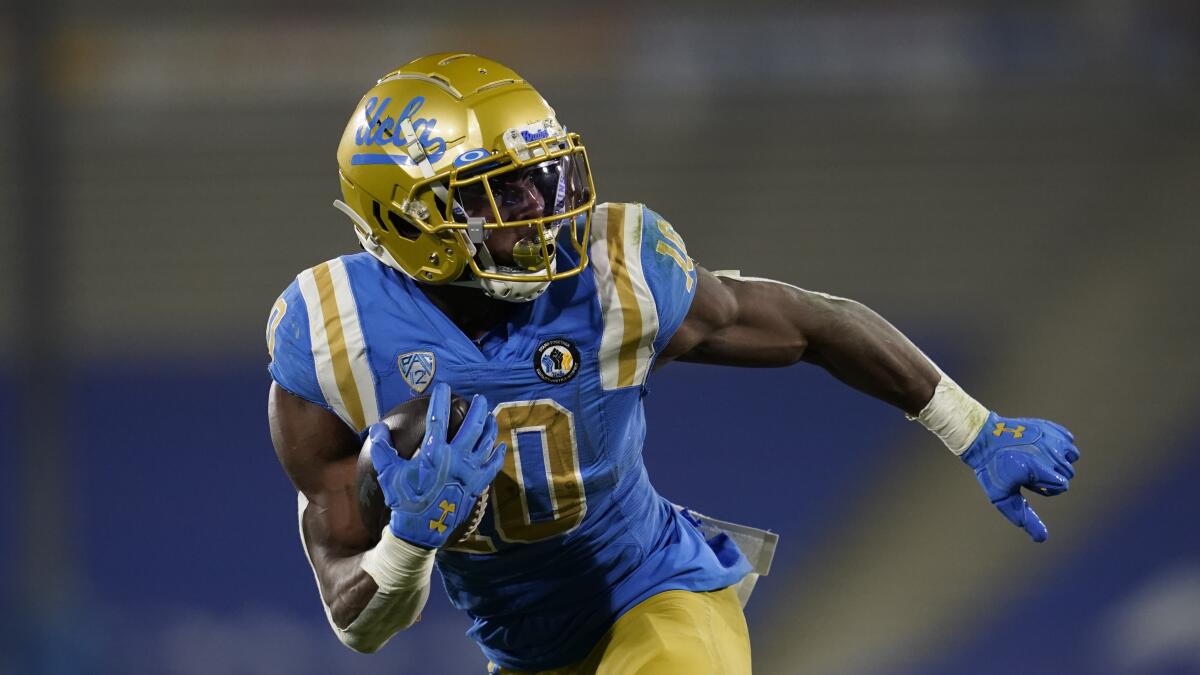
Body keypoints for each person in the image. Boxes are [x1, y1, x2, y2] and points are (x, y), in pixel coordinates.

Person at [265, 53, 1080, 674]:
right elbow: (357, 621)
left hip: (655, 592)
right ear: (408, 220)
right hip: (522, 652)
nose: (545, 214)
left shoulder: (614, 275)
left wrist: (973, 428)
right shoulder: (336, 335)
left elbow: (808, 323)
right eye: (502, 196)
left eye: (544, 181)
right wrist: (406, 546)